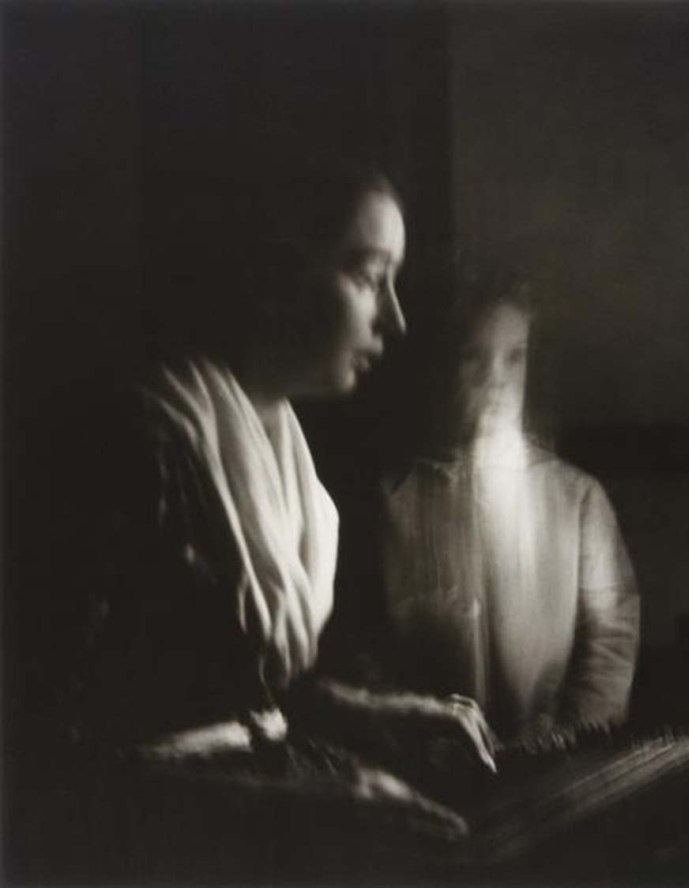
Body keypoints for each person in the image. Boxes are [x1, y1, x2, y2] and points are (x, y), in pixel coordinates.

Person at [10, 155, 496, 882]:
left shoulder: (285, 455)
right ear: (275, 276)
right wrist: (287, 809)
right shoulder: (142, 446)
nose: (394, 318)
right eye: (370, 278)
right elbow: (45, 756)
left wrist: (376, 712)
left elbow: (236, 691)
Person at [379, 266, 640, 741]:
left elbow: (610, 636)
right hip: (431, 754)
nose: (495, 379)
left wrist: (570, 735)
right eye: (473, 357)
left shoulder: (578, 499)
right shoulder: (395, 499)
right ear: (441, 366)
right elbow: (364, 644)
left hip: (552, 754)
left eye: (514, 357)